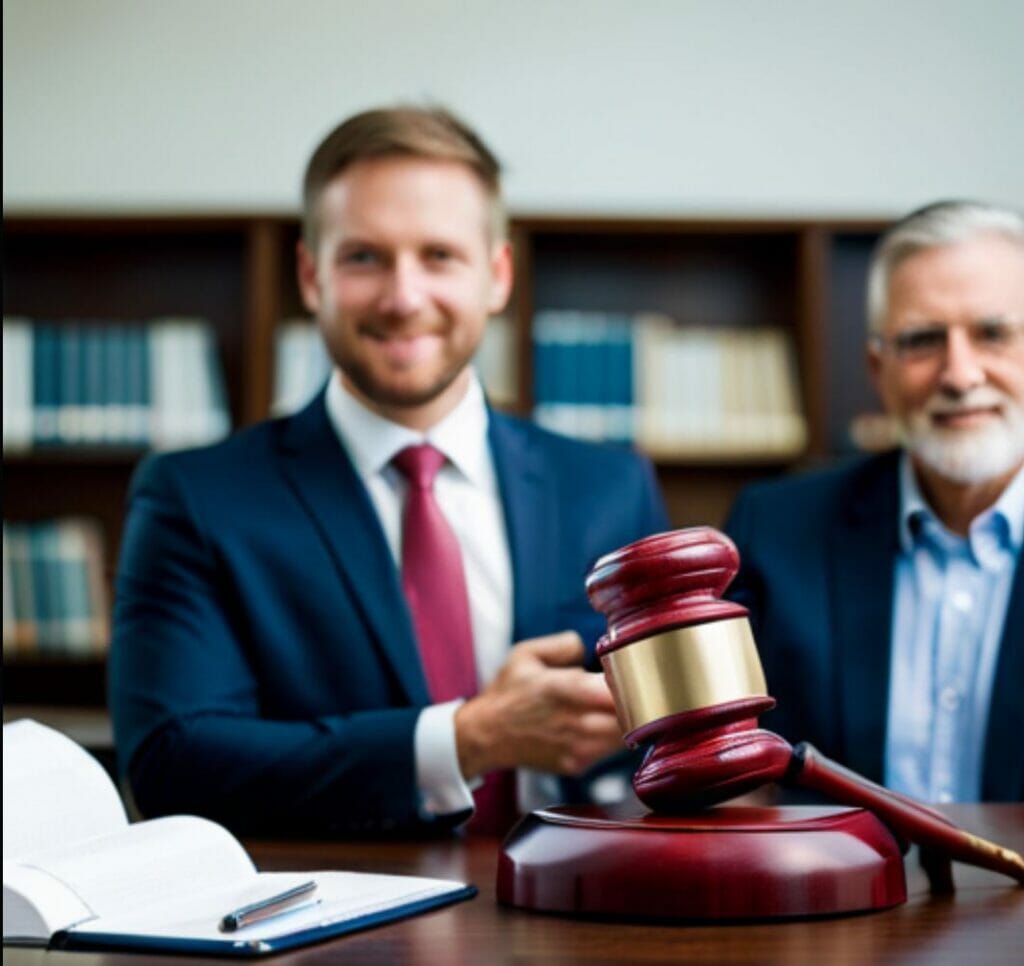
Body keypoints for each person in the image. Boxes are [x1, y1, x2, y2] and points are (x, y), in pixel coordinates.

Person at [108, 105, 669, 836]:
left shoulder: (609, 489)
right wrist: (465, 739)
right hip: (335, 936)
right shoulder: (194, 499)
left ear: (497, 276)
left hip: (581, 919)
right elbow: (171, 763)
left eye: (439, 255)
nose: (404, 298)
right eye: (364, 257)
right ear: (311, 277)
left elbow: (669, 735)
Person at [723, 200, 1024, 803]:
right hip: (841, 895)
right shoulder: (776, 529)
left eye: (992, 334)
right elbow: (718, 760)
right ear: (877, 369)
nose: (960, 375)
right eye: (922, 341)